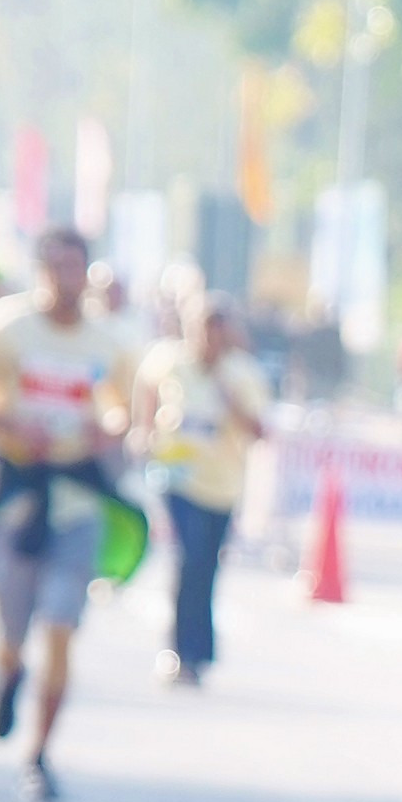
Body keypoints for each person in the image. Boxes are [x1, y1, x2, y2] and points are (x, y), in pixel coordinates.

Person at [0, 223, 140, 802]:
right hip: (15, 495)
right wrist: (10, 423)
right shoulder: (6, 328)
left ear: (87, 274)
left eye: (75, 268)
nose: (65, 280)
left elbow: (126, 412)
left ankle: (39, 755)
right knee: (11, 630)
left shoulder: (109, 343)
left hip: (76, 501)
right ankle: (8, 670)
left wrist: (106, 430)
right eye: (55, 268)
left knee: (60, 626)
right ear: (40, 271)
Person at [127, 270, 271, 687]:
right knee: (187, 560)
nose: (208, 338)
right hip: (178, 478)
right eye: (202, 328)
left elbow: (260, 431)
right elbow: (146, 388)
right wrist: (143, 429)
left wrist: (232, 402)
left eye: (217, 330)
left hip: (221, 486)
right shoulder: (169, 361)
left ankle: (200, 652)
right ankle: (179, 653)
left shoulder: (243, 374)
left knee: (205, 567)